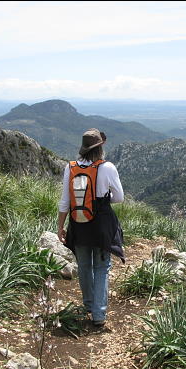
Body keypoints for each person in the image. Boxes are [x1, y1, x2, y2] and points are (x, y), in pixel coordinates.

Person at [57, 128, 125, 327]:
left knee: (84, 266)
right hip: (101, 225)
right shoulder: (107, 167)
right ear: (100, 147)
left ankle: (88, 305)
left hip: (78, 223)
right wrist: (102, 201)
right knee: (102, 267)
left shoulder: (70, 167)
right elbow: (119, 198)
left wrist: (61, 226)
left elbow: (65, 201)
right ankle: (99, 314)